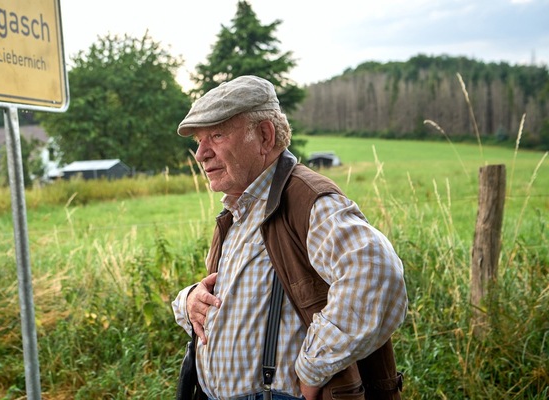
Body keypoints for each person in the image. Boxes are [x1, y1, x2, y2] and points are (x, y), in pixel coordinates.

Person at [171, 75, 408, 400]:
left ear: (265, 136)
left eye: (216, 135)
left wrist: (313, 368)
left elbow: (377, 274)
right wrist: (188, 301)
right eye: (199, 140)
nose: (201, 154)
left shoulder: (305, 199)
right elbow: (243, 302)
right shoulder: (240, 210)